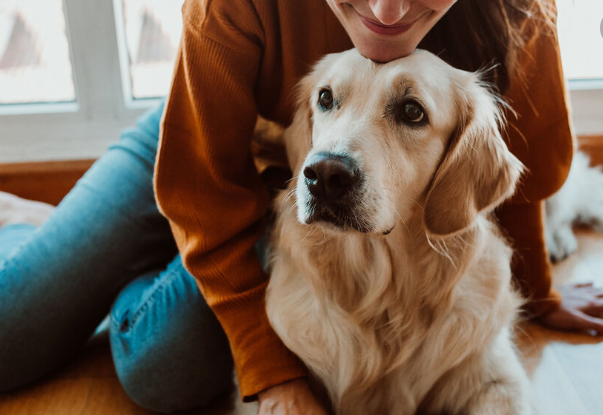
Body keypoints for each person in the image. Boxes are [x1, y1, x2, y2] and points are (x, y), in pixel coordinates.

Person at [1, 0, 602, 414]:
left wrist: (539, 293)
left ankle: (118, 258)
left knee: (162, 366)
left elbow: (507, 173)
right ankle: (46, 234)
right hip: (197, 151)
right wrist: (274, 375)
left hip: (298, 186)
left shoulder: (518, 12)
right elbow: (201, 187)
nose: (387, 12)